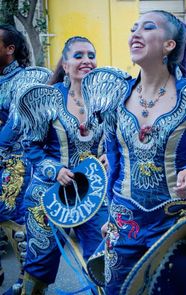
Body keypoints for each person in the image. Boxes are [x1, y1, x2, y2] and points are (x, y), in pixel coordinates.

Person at [100, 10, 186, 294]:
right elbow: (113, 164)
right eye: (133, 28)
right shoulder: (116, 97)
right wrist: (109, 216)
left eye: (147, 28)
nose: (135, 34)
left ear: (169, 45)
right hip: (125, 221)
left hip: (176, 220)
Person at [18, 36, 108, 294]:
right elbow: (31, 146)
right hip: (49, 193)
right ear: (65, 64)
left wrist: (110, 156)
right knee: (39, 267)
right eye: (78, 56)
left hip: (94, 193)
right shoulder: (47, 98)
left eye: (91, 55)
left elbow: (118, 140)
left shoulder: (106, 100)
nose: (87, 61)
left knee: (102, 260)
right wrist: (54, 170)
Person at [0, 24, 31, 295]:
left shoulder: (23, 80)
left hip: (15, 163)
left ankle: (25, 283)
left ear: (10, 49)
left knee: (13, 219)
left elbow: (16, 122)